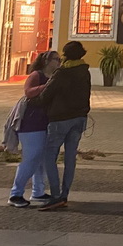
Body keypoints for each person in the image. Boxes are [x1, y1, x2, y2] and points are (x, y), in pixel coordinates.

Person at [37, 41, 91, 211]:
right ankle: (64, 194)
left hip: (60, 119)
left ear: (66, 54)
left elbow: (45, 96)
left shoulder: (62, 73)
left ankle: (55, 195)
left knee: (49, 156)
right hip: (79, 118)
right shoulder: (85, 71)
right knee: (70, 158)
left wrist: (32, 101)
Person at [6, 50, 60, 207]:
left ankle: (38, 191)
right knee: (31, 158)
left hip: (46, 122)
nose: (59, 62)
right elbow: (28, 92)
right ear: (47, 61)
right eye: (56, 59)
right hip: (31, 122)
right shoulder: (37, 75)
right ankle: (15, 194)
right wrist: (47, 87)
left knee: (42, 159)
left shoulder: (55, 77)